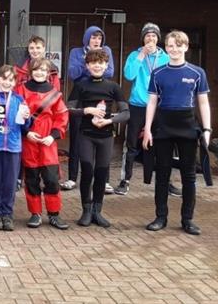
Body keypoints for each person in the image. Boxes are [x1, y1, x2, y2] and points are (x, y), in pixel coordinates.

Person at [143, 30, 211, 235]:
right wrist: (147, 129)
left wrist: (207, 129)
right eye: (170, 46)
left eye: (178, 45)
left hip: (188, 126)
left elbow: (203, 102)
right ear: (166, 47)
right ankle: (160, 216)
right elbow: (152, 101)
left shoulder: (197, 72)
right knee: (162, 174)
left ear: (186, 47)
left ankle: (187, 219)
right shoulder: (158, 72)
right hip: (163, 126)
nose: (174, 49)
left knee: (188, 176)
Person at [67, 50, 129, 228]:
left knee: (102, 172)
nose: (97, 66)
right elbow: (69, 109)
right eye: (93, 63)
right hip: (85, 134)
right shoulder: (81, 85)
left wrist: (109, 120)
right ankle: (86, 210)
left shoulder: (113, 86)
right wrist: (87, 110)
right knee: (87, 170)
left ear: (106, 65)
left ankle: (97, 211)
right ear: (87, 66)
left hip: (106, 135)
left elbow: (125, 112)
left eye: (100, 63)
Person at [117, 23, 172, 196]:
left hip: (159, 106)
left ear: (158, 38)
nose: (151, 38)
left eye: (154, 36)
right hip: (138, 104)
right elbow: (129, 75)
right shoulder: (135, 55)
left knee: (162, 144)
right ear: (143, 38)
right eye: (147, 35)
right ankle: (125, 180)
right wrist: (141, 55)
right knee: (131, 143)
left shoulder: (165, 57)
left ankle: (166, 181)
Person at [16, 58, 70, 229]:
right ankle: (35, 213)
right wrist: (26, 132)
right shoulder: (21, 90)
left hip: (48, 142)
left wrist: (53, 136)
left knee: (52, 180)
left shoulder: (54, 93)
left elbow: (61, 117)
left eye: (43, 70)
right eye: (36, 69)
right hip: (29, 140)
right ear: (31, 71)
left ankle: (54, 214)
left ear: (48, 73)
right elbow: (15, 114)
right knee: (31, 180)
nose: (39, 72)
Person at [63, 25, 115, 192]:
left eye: (99, 38)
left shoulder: (106, 50)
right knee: (77, 138)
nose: (96, 41)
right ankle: (72, 178)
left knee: (102, 136)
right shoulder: (76, 52)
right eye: (93, 38)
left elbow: (109, 72)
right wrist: (89, 62)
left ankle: (104, 180)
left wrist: (91, 66)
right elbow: (73, 74)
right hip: (80, 96)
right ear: (87, 39)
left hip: (101, 96)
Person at [0, 65, 31, 231]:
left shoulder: (18, 100)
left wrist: (27, 117)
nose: (7, 82)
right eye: (4, 79)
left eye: (11, 80)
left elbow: (25, 126)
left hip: (13, 145)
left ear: (15, 82)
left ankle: (7, 214)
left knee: (10, 182)